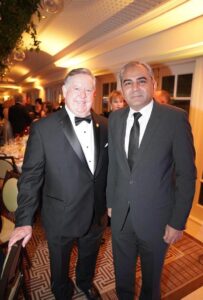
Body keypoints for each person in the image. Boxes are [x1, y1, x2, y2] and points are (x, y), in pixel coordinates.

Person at [9, 68, 108, 300]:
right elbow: (31, 177)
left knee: (89, 255)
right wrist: (24, 221)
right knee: (60, 264)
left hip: (96, 212)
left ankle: (84, 283)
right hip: (60, 215)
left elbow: (110, 169)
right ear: (64, 91)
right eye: (76, 88)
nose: (83, 95)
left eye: (88, 89)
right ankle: (61, 290)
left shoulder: (104, 124)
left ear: (93, 93)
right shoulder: (43, 128)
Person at [107, 61, 196, 300]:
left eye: (141, 80)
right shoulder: (115, 119)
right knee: (122, 277)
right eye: (128, 82)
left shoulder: (174, 119)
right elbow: (114, 166)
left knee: (151, 283)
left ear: (153, 84)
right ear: (122, 89)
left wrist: (178, 221)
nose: (135, 88)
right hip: (121, 218)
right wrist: (110, 203)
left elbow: (187, 174)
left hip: (158, 219)